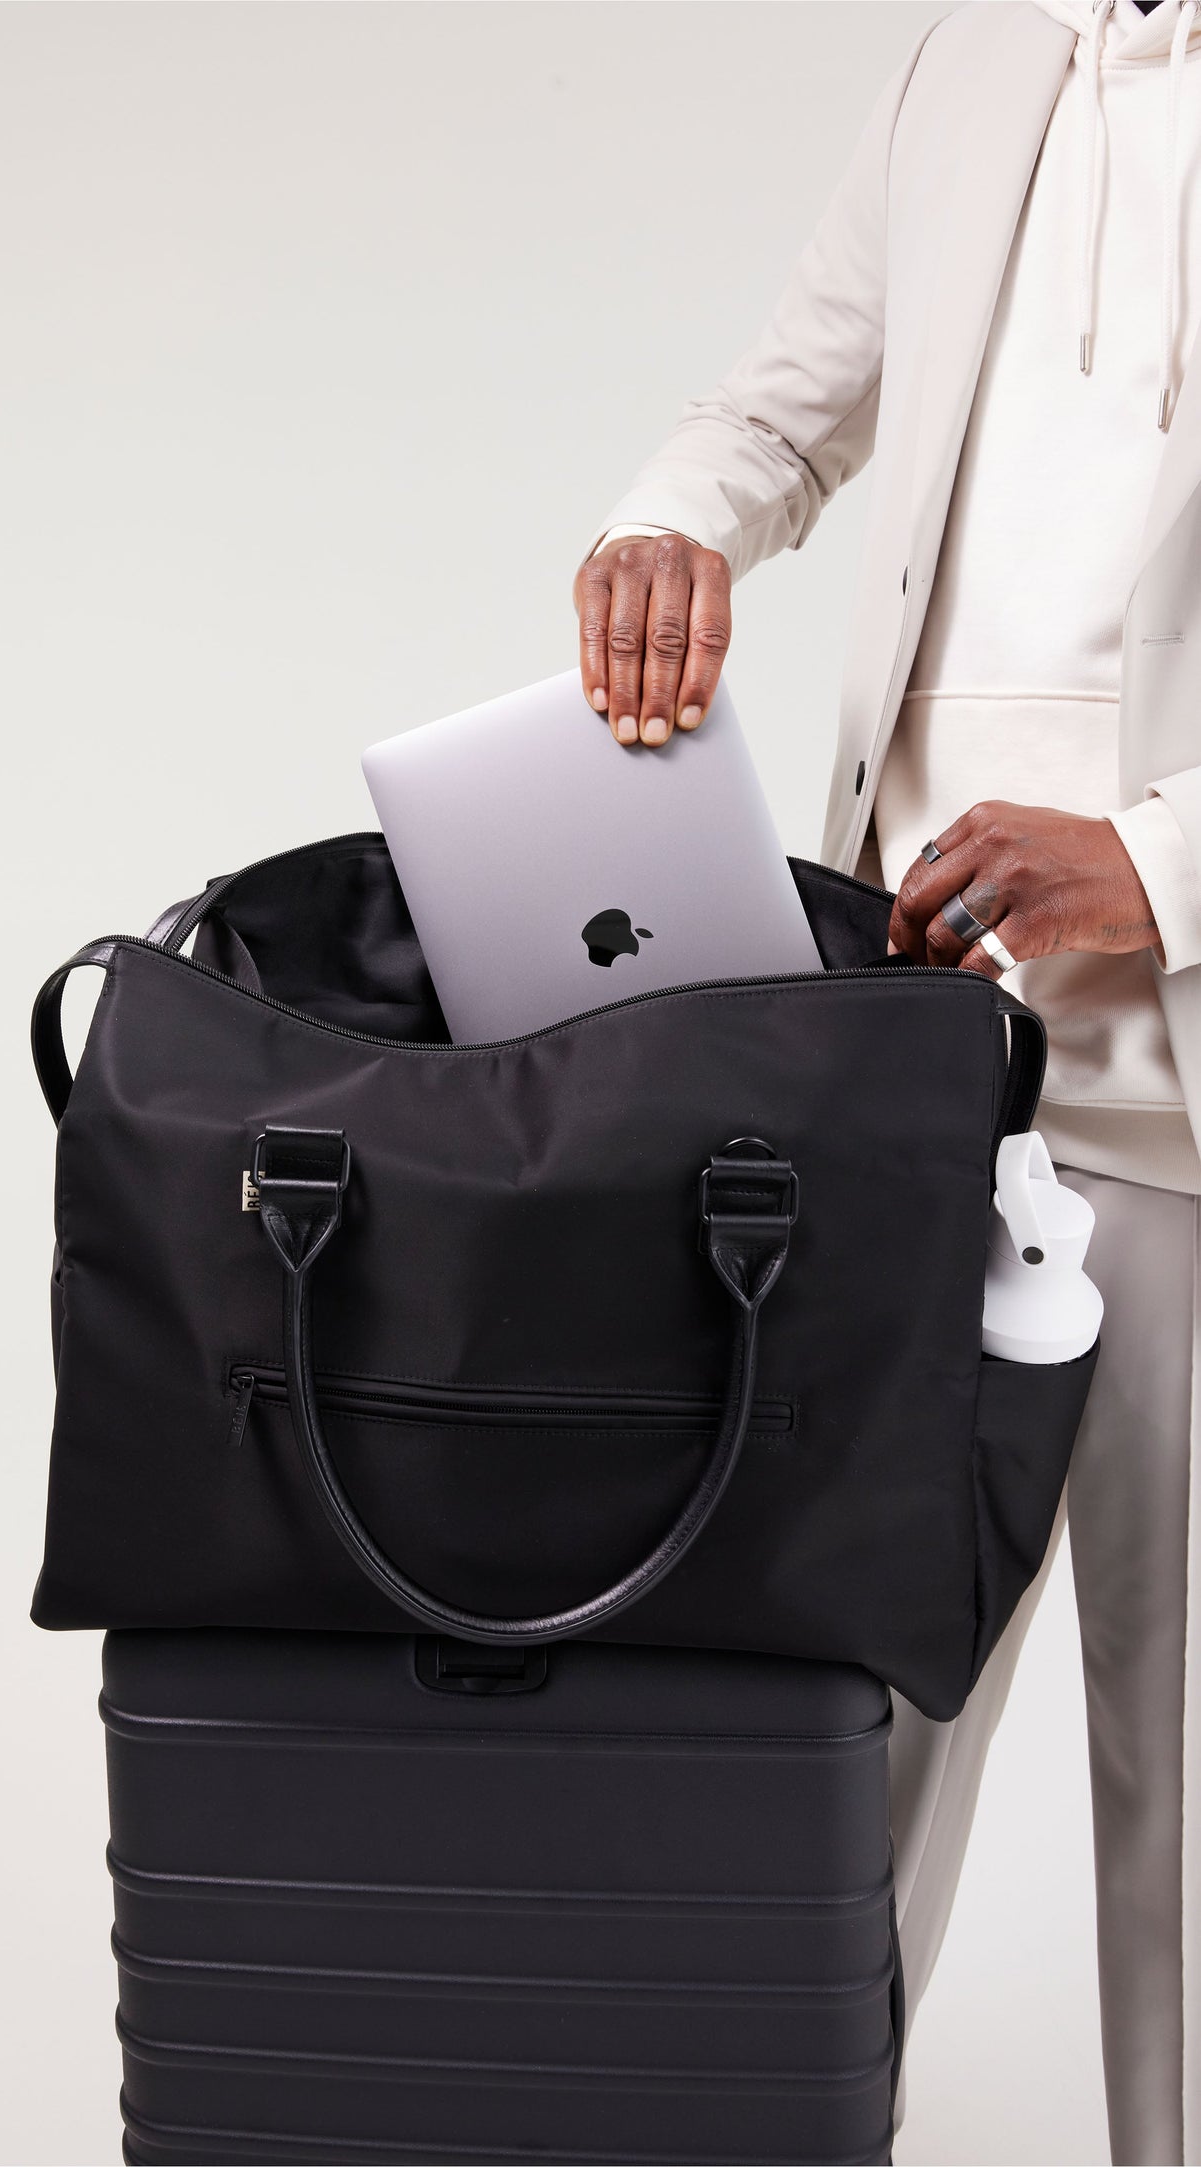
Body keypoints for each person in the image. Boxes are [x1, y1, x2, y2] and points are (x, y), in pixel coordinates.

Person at [574, 2, 1201, 2158]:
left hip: (1182, 1104)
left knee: (1179, 1782)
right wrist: (672, 520)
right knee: (837, 1749)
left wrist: (1161, 861)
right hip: (910, 1074)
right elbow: (780, 407)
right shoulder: (970, 59)